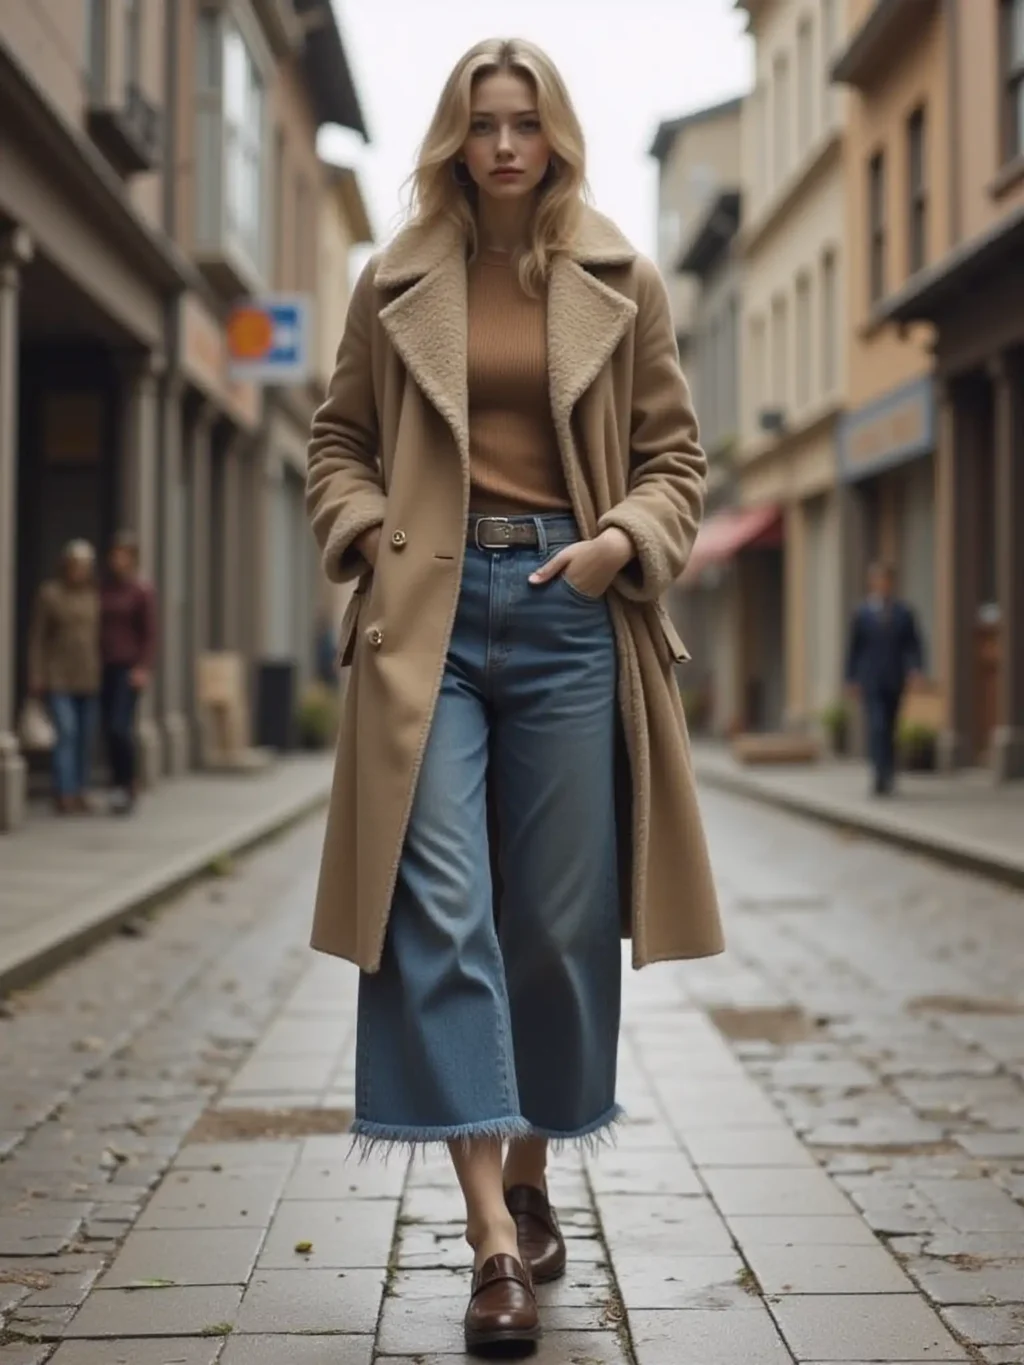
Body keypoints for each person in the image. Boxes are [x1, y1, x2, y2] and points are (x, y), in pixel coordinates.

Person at [306, 37, 723, 1354]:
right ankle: (491, 1236)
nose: (501, 144)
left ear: (552, 137)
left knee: (553, 921)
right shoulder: (394, 278)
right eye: (481, 122)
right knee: (440, 911)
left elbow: (676, 459)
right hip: (426, 617)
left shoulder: (620, 278)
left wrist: (618, 546)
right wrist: (370, 533)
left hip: (567, 611)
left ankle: (534, 1168)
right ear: (453, 134)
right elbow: (338, 443)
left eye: (522, 123)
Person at [27, 540, 101, 815]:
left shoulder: (93, 596)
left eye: (83, 566)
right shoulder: (50, 594)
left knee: (84, 737)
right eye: (74, 565)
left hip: (88, 676)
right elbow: (38, 638)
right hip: (58, 675)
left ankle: (81, 789)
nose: (78, 571)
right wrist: (37, 674)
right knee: (66, 733)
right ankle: (64, 791)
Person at [845, 561, 924, 796]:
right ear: (872, 583)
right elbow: (854, 648)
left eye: (887, 580)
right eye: (878, 580)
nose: (883, 584)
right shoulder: (862, 613)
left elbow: (914, 644)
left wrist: (916, 669)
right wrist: (851, 678)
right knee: (877, 725)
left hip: (894, 677)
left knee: (890, 726)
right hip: (871, 678)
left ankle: (889, 771)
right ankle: (879, 774)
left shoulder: (903, 612)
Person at [99, 532, 157, 815]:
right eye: (114, 555)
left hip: (128, 668)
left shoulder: (141, 591)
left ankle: (127, 782)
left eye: (123, 555)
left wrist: (143, 668)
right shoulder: (106, 589)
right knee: (108, 728)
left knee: (120, 727)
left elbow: (149, 634)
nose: (117, 560)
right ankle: (115, 783)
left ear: (132, 558)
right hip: (103, 667)